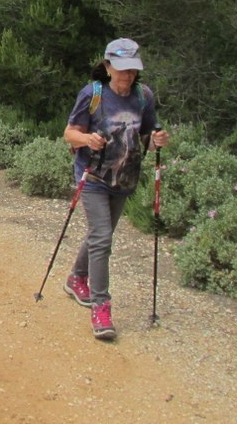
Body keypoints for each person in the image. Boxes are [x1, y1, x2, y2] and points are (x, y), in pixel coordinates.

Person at [62, 37, 169, 340]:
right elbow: (70, 133)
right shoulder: (92, 94)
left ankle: (76, 277)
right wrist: (87, 140)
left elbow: (149, 132)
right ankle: (101, 306)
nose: (127, 75)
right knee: (103, 238)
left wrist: (158, 138)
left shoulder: (143, 96)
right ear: (107, 67)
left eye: (132, 69)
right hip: (93, 175)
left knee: (99, 234)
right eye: (122, 69)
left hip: (125, 178)